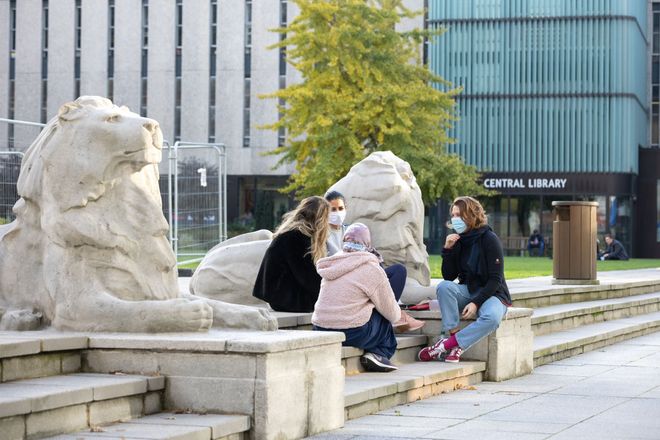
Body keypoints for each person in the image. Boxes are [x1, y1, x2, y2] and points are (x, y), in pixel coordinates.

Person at [312, 223, 423, 372]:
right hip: (351, 333)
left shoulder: (332, 263)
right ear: (368, 243)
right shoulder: (370, 268)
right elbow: (392, 313)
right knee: (385, 315)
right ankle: (379, 353)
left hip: (320, 328)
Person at [418, 196, 511, 363]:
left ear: (471, 215)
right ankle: (454, 342)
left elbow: (495, 279)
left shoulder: (489, 239)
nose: (455, 219)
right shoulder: (458, 240)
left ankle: (447, 344)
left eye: (459, 215)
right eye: (453, 215)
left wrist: (476, 303)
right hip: (468, 290)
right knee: (444, 287)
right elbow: (449, 276)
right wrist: (447, 250)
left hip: (493, 294)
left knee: (491, 318)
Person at [324, 190, 408, 304]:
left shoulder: (352, 230)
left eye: (340, 208)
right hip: (344, 279)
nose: (337, 213)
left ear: (346, 208)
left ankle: (391, 306)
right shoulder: (322, 235)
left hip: (363, 273)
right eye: (333, 209)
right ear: (324, 211)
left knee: (398, 270)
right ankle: (390, 310)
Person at [252, 196, 330, 312]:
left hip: (280, 297)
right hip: (287, 299)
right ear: (320, 218)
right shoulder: (296, 238)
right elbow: (307, 277)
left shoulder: (291, 234)